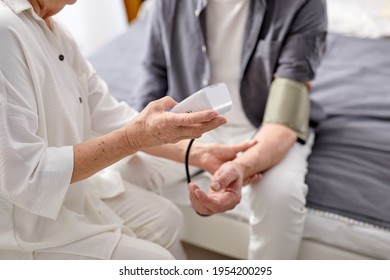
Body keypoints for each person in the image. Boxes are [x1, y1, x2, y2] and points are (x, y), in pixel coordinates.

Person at [0, 0, 257, 260]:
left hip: (73, 195)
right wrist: (133, 138)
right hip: (25, 228)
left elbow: (112, 116)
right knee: (159, 261)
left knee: (166, 218)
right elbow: (26, 175)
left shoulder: (59, 34)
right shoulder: (6, 31)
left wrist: (200, 154)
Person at [127, 0, 328, 259]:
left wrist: (241, 167)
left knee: (280, 198)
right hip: (190, 122)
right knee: (124, 171)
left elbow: (283, 120)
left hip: (264, 128)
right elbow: (153, 71)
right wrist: (143, 130)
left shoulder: (303, 4)